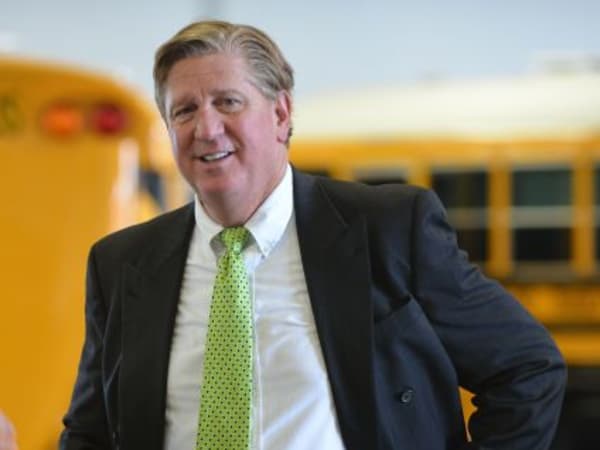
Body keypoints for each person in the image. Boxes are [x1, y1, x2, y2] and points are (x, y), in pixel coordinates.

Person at [60, 20, 566, 450]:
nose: (206, 129)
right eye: (184, 111)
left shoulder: (388, 230)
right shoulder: (122, 263)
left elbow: (527, 368)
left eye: (228, 102)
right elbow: (90, 434)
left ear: (281, 114)